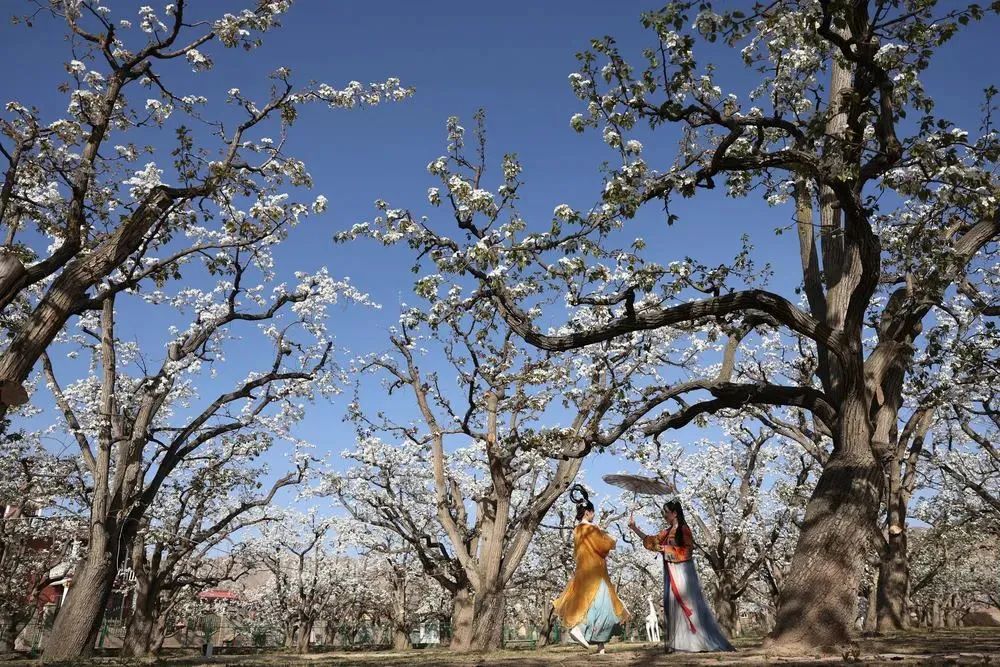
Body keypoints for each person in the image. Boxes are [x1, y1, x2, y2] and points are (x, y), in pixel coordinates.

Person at [628, 500, 734, 653]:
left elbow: (688, 551)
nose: (664, 515)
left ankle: (697, 640)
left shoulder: (684, 530)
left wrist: (666, 549)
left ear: (675, 513)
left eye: (666, 512)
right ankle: (681, 641)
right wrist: (634, 528)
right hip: (671, 571)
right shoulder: (667, 532)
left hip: (683, 571)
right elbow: (651, 542)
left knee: (688, 603)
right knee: (674, 605)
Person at [553, 485, 630, 654]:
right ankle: (578, 628)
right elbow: (602, 546)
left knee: (588, 604)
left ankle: (600, 647)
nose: (594, 515)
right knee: (600, 607)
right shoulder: (590, 529)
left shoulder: (577, 530)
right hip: (595, 574)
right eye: (592, 512)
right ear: (587, 512)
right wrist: (612, 540)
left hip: (583, 571)